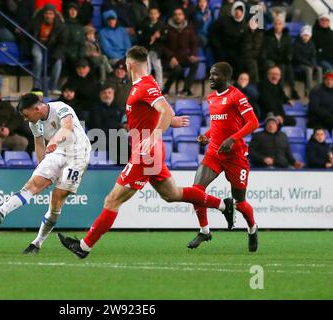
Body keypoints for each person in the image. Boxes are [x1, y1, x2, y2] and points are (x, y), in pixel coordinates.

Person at [57, 46, 235, 259]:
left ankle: (84, 247)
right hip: (149, 151)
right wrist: (168, 123)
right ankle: (224, 205)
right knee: (172, 194)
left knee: (112, 200)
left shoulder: (143, 86)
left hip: (145, 154)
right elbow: (160, 114)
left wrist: (154, 135)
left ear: (128, 64)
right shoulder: (142, 86)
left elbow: (166, 111)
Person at [0, 94, 92, 254]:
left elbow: (67, 128)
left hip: (78, 154)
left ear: (37, 109)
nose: (25, 119)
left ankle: (37, 242)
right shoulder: (35, 123)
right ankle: (1, 211)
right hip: (57, 152)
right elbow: (39, 144)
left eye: (26, 115)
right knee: (33, 184)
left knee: (57, 198)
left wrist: (53, 141)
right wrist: (43, 169)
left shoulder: (60, 108)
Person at [188, 62, 260, 252]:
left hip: (236, 156)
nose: (210, 77)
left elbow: (253, 122)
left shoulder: (237, 96)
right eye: (210, 74)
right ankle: (204, 230)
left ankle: (252, 228)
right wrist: (208, 135)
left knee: (240, 203)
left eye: (215, 75)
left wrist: (232, 139)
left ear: (226, 77)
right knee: (197, 190)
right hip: (214, 152)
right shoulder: (211, 98)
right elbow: (218, 124)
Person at [29, 4, 68, 94]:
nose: (48, 16)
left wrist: (56, 55)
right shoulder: (36, 22)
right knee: (38, 59)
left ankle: (52, 87)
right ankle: (36, 87)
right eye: (46, 13)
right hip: (38, 45)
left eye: (51, 14)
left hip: (52, 48)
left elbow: (62, 43)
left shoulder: (60, 26)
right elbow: (29, 35)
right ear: (43, 14)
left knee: (58, 61)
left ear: (54, 15)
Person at [260, 14, 299, 99]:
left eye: (280, 24)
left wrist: (287, 58)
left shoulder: (287, 36)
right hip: (271, 60)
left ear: (283, 25)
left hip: (283, 60)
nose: (278, 26)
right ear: (274, 25)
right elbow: (268, 52)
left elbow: (289, 51)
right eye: (276, 24)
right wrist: (281, 59)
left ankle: (293, 89)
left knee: (289, 67)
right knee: (282, 67)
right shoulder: (268, 36)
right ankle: (281, 92)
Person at [162, 7, 199, 96]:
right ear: (173, 16)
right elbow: (162, 46)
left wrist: (193, 54)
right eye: (176, 14)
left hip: (183, 57)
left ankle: (186, 89)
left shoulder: (188, 27)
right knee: (177, 69)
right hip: (169, 59)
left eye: (180, 14)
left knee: (195, 63)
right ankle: (165, 90)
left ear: (183, 16)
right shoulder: (166, 28)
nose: (178, 16)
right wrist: (171, 57)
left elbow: (194, 42)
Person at [136, 6, 165, 89]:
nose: (153, 15)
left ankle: (160, 88)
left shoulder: (161, 25)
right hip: (146, 49)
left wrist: (159, 36)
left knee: (158, 68)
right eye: (151, 13)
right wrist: (150, 37)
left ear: (158, 15)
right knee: (147, 69)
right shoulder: (143, 24)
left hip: (156, 50)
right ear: (149, 14)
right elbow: (140, 37)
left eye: (155, 13)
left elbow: (165, 38)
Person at [293, 25, 323, 94]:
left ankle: (320, 89)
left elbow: (313, 55)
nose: (306, 37)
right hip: (299, 64)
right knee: (309, 69)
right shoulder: (296, 43)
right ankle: (310, 90)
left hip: (309, 64)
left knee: (319, 68)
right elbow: (298, 57)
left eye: (308, 36)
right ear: (301, 35)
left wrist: (313, 64)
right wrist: (309, 64)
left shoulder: (311, 44)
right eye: (304, 35)